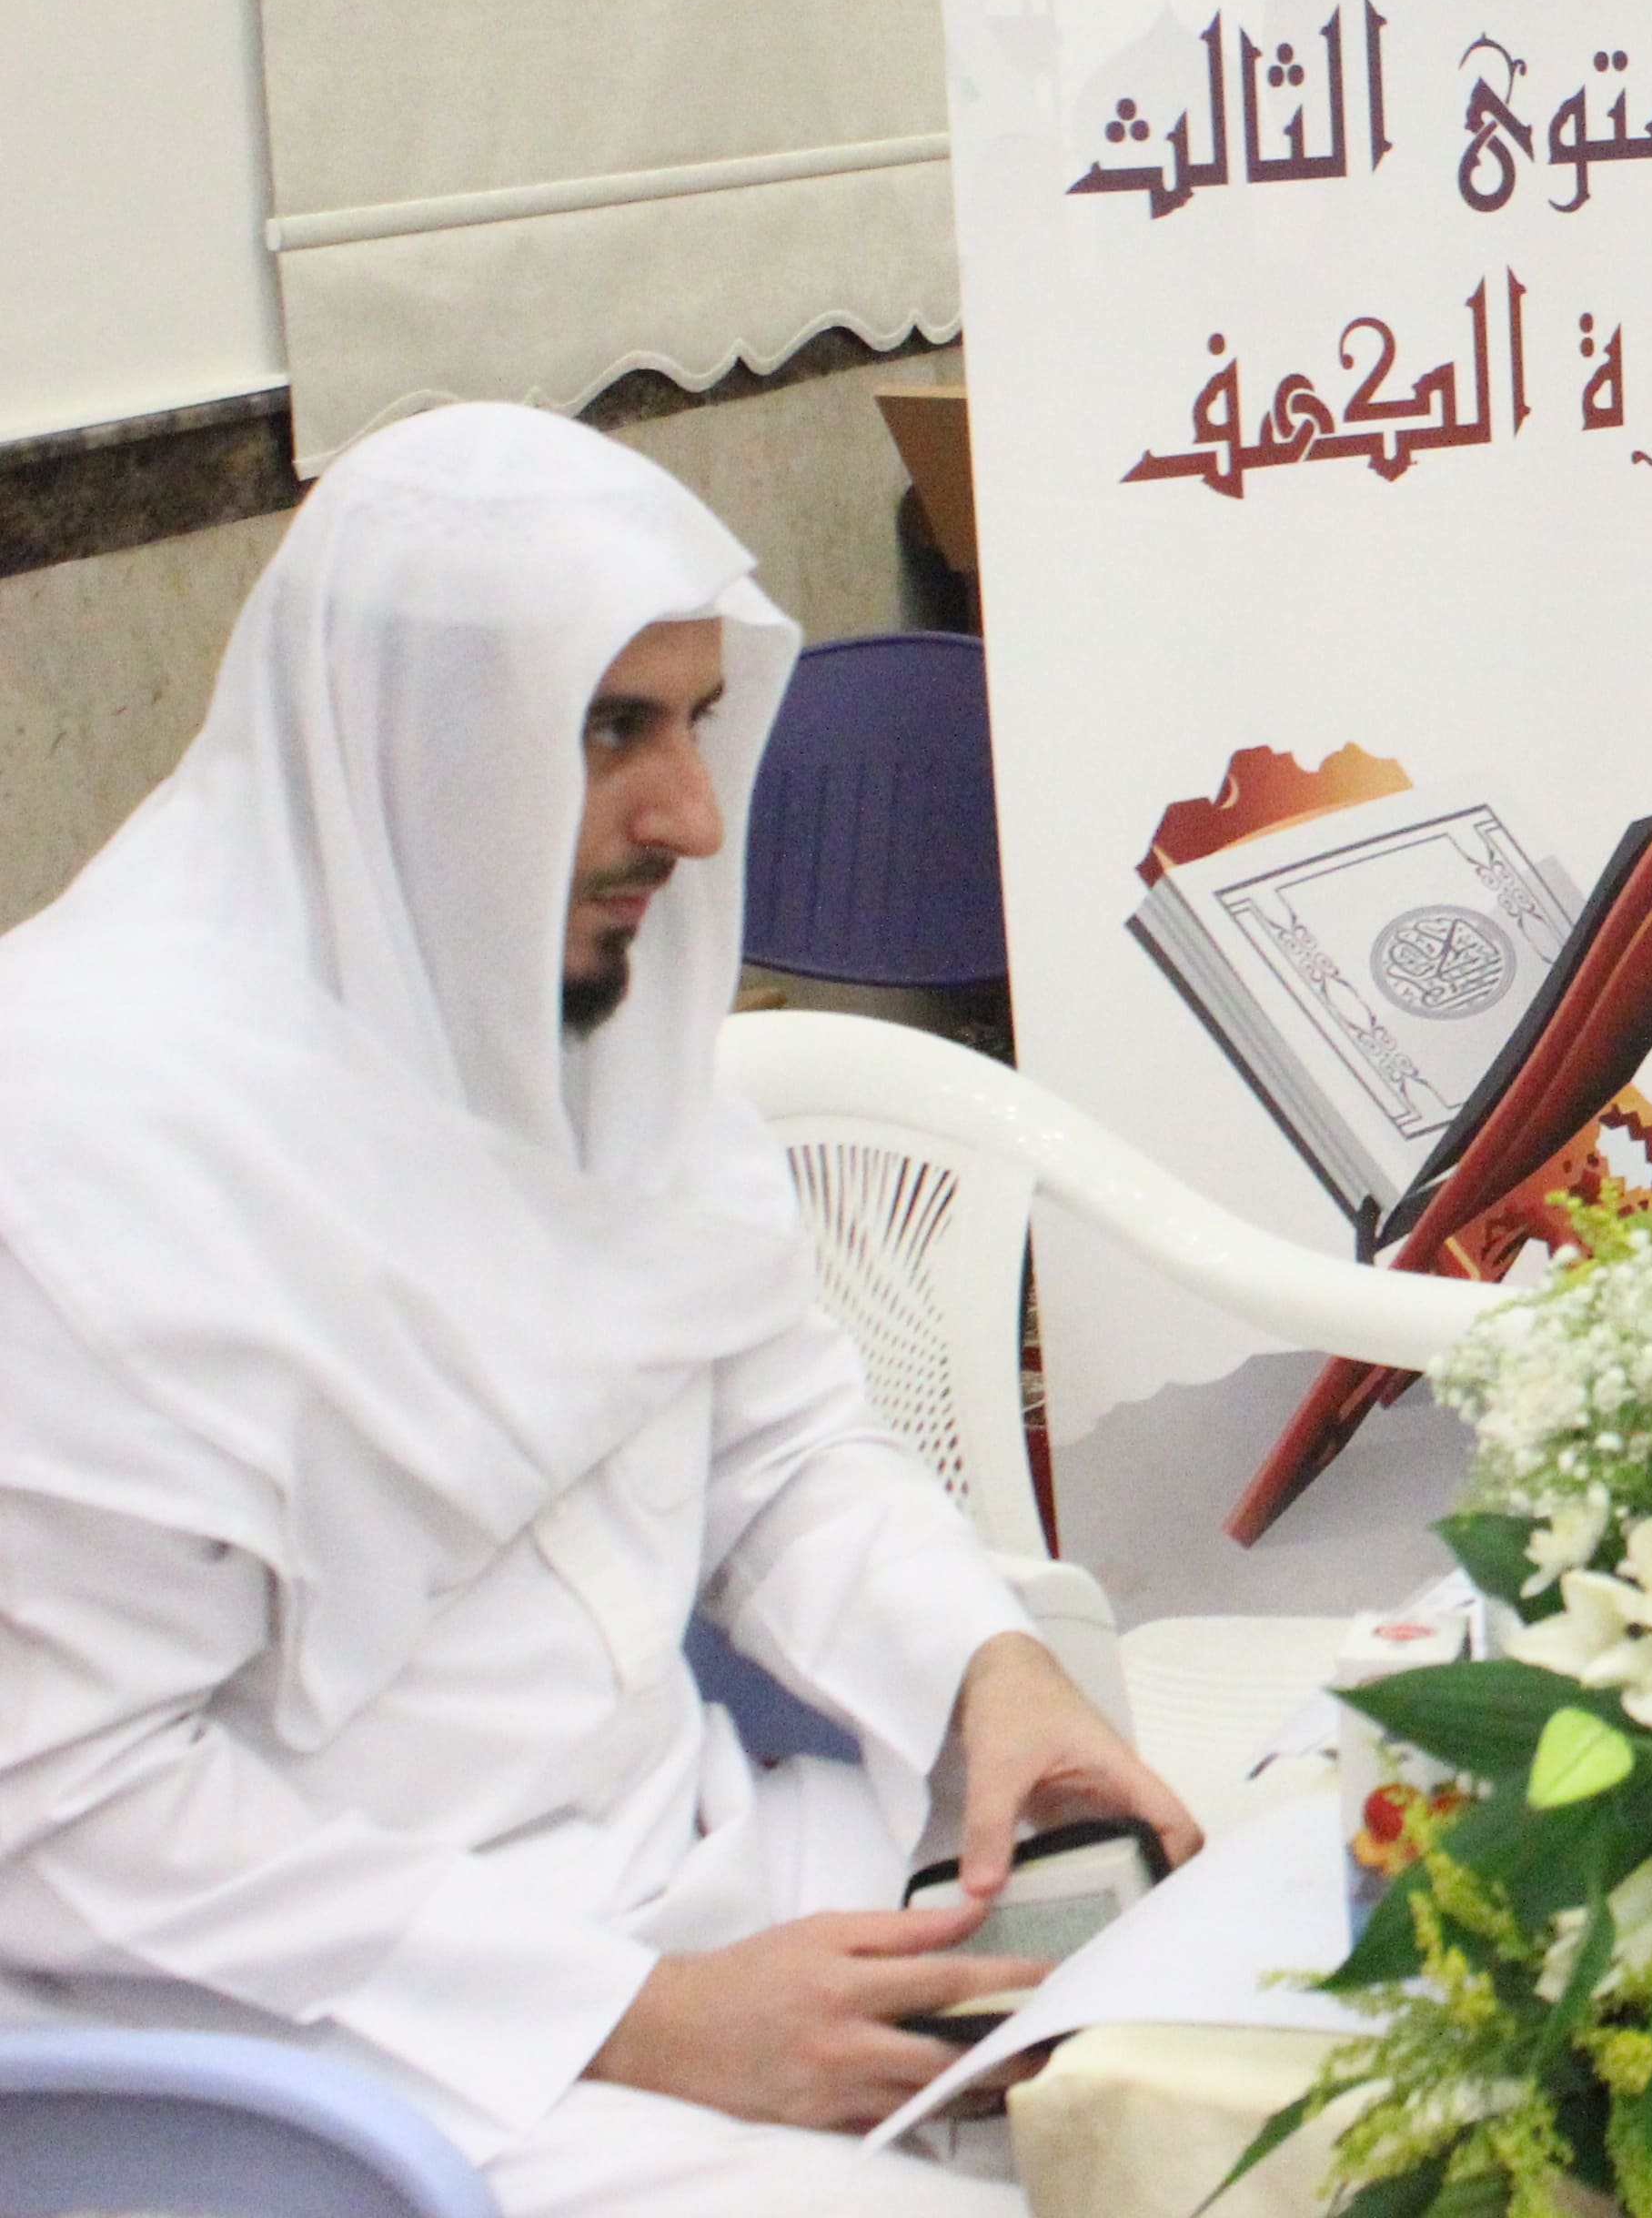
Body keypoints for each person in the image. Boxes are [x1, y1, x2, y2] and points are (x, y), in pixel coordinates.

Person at [0, 406, 1201, 2213]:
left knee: (1266, 2062)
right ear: (406, 744)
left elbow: (782, 1447)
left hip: (712, 1884)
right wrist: (643, 2022)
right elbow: (65, 1816)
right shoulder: (81, 1143)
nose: (691, 819)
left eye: (700, 722)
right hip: (357, 2060)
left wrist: (991, 1672)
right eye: (608, 731)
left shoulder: (580, 1029)